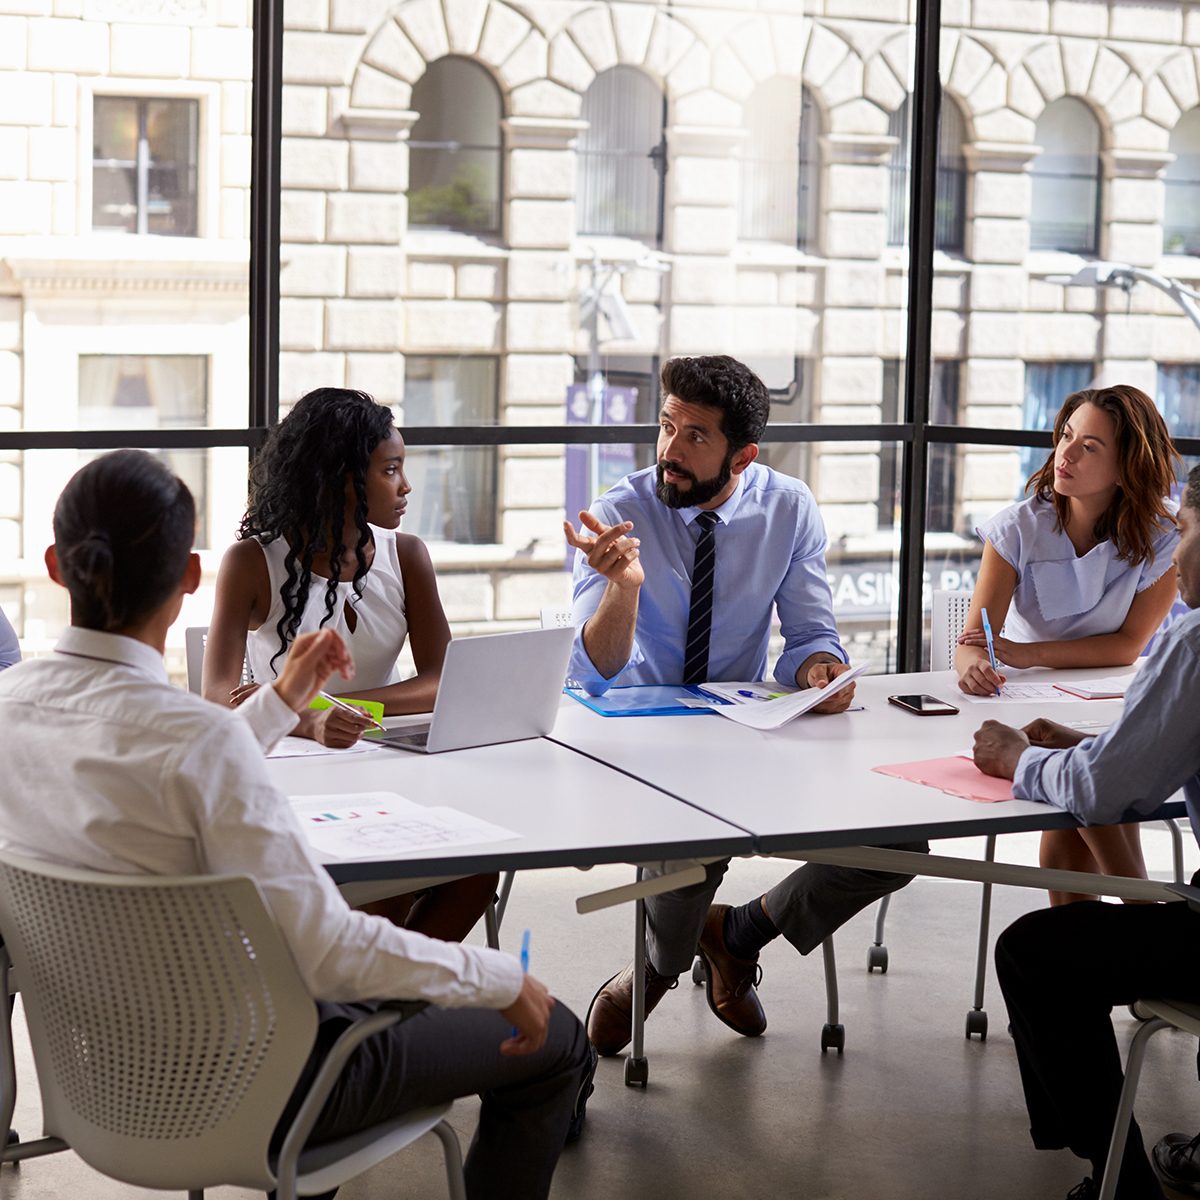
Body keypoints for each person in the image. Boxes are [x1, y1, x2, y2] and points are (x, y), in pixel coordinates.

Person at [0, 450, 592, 1199]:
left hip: (106, 1082)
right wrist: (501, 977)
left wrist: (281, 702)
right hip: (263, 1085)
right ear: (188, 577)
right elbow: (330, 954)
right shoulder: (194, 739)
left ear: (56, 565)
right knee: (559, 1040)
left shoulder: (11, 704)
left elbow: (177, 766)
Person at [563, 354, 926, 1052]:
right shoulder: (617, 513)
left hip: (744, 727)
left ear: (743, 454)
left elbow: (812, 636)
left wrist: (821, 670)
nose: (670, 449)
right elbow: (593, 671)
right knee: (689, 851)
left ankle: (739, 931)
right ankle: (656, 972)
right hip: (643, 739)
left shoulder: (787, 508)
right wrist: (625, 588)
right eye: (667, 426)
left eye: (695, 435)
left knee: (899, 841)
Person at [971, 462, 1200, 1200]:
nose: (1177, 548)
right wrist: (1088, 750)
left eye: (1189, 531)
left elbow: (1107, 789)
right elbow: (1128, 768)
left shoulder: (1194, 641)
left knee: (1034, 955)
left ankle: (1119, 1182)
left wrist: (1021, 759)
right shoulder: (1022, 527)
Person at [206, 387, 496, 942]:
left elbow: (443, 681)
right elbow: (217, 701)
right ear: (340, 477)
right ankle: (377, 1008)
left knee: (479, 869)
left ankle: (390, 1005)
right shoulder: (250, 563)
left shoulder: (406, 555)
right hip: (291, 772)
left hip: (387, 764)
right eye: (390, 470)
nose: (406, 486)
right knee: (388, 881)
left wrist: (345, 707)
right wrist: (308, 719)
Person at [956, 385, 1180, 906]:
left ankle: (1132, 923)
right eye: (1066, 436)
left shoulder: (1167, 533)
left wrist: (1023, 654)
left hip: (1114, 696)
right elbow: (975, 642)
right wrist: (974, 666)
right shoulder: (1017, 528)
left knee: (1081, 792)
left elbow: (1126, 646)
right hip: (1032, 700)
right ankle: (1138, 918)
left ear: (1126, 468)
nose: (1066, 453)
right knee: (1078, 805)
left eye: (1090, 446)